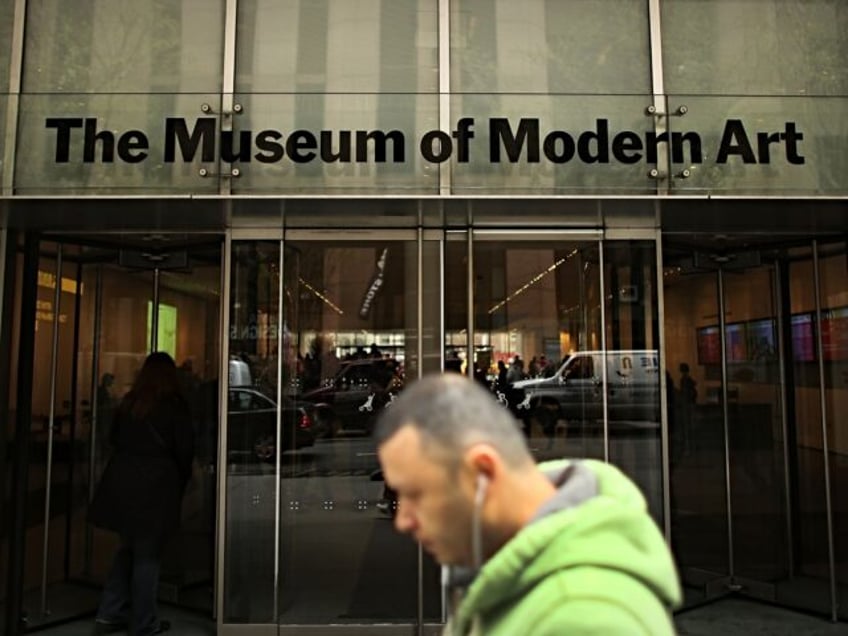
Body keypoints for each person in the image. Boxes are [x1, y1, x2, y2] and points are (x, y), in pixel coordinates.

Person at [374, 373, 681, 635]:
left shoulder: (583, 619)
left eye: (417, 494)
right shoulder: (498, 569)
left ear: (483, 472)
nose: (404, 521)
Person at [89, 352, 194, 636]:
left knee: (126, 549)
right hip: (156, 488)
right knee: (148, 555)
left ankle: (109, 613)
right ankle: (143, 622)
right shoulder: (174, 406)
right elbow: (184, 450)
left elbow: (112, 439)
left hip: (123, 485)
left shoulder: (130, 403)